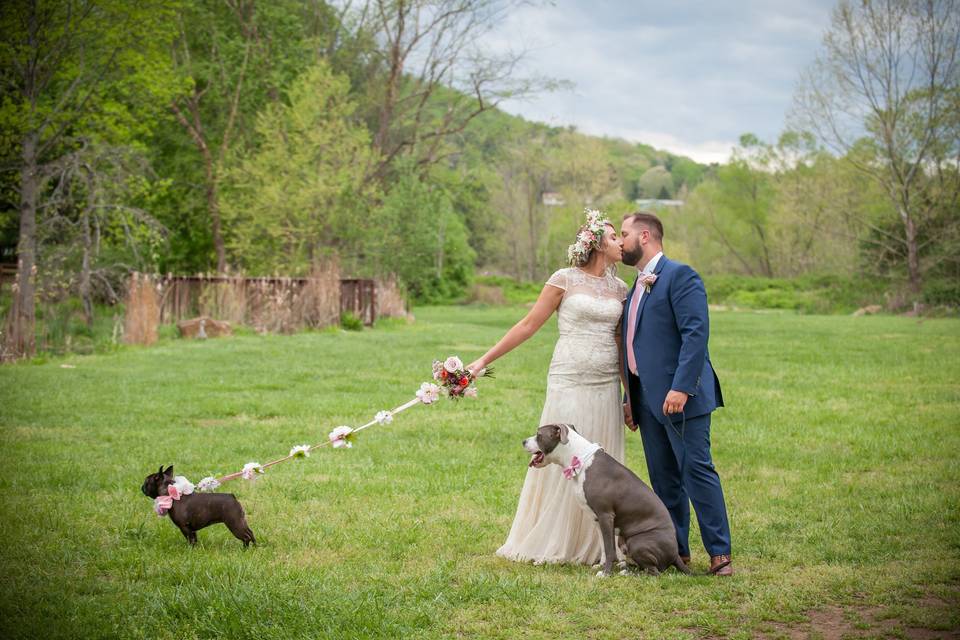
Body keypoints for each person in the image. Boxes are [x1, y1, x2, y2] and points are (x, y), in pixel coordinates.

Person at [467, 209, 628, 565]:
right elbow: (528, 325)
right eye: (616, 237)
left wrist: (628, 396)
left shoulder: (621, 288)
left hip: (605, 384)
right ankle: (554, 537)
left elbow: (621, 343)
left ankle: (596, 542)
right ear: (599, 242)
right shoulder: (564, 279)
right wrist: (482, 361)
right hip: (568, 378)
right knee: (562, 454)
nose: (621, 243)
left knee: (600, 463)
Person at [619, 211, 733, 575]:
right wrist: (629, 398)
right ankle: (677, 551)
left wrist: (682, 387)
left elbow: (695, 333)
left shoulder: (680, 276)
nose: (620, 242)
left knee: (696, 471)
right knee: (663, 478)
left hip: (681, 397)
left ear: (646, 235)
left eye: (624, 234)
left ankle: (720, 553)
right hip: (647, 401)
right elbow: (634, 344)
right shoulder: (635, 286)